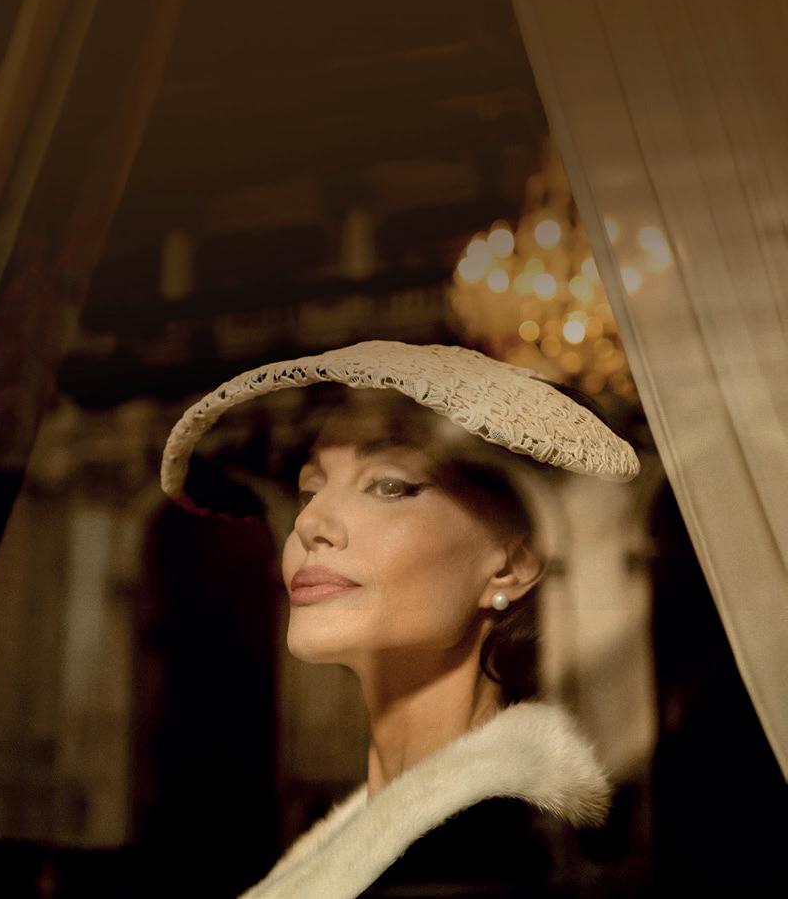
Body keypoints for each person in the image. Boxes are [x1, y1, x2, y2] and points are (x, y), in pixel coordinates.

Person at [159, 341, 640, 898]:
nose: (310, 523)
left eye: (388, 485)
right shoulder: (391, 838)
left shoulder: (474, 862)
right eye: (309, 490)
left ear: (511, 566)